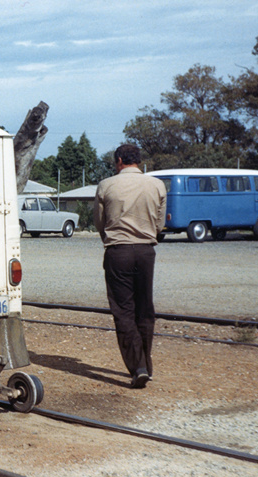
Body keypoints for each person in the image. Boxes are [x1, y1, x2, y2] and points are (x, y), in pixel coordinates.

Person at [93, 144, 166, 388]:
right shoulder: (157, 185)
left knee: (123, 310)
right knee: (145, 308)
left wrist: (112, 238)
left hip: (118, 251)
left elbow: (99, 223)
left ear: (120, 160)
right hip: (146, 252)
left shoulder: (106, 185)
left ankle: (138, 368)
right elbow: (159, 224)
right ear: (139, 161)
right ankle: (147, 364)